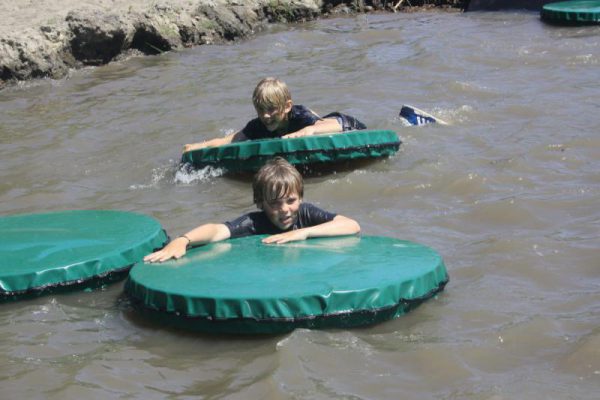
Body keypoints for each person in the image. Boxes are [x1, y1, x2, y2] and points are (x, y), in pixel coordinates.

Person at [144, 157, 360, 263]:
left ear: (300, 198)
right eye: (274, 203)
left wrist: (302, 232)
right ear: (260, 203)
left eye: (291, 200)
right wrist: (183, 240)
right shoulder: (256, 222)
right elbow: (218, 230)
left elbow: (352, 225)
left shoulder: (305, 213)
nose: (284, 209)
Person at [183, 77, 366, 152]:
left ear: (287, 106)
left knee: (323, 125)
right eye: (261, 110)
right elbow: (229, 140)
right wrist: (200, 146)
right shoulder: (257, 125)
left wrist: (307, 132)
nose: (266, 116)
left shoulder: (299, 115)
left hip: (346, 123)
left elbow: (333, 125)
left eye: (271, 109)